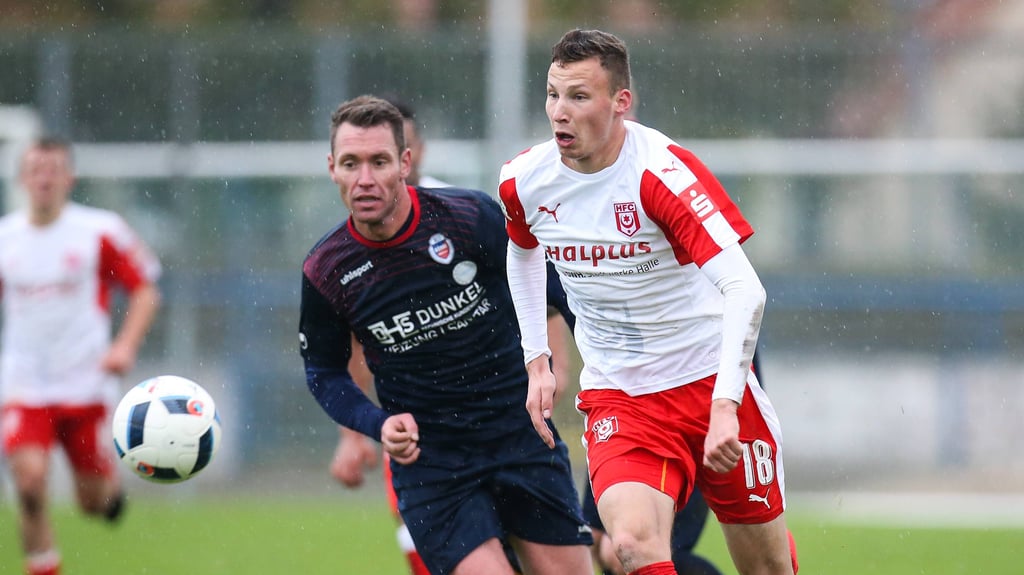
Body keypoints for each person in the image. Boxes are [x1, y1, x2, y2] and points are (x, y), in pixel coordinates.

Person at [498, 29, 799, 575]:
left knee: (768, 568)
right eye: (552, 94)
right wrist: (535, 359)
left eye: (579, 97)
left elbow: (746, 290)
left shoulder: (659, 173)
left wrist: (726, 407)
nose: (559, 112)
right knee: (631, 545)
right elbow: (521, 254)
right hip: (622, 395)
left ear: (621, 103)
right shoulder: (525, 181)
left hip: (710, 385)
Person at [299, 95, 593, 575]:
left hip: (520, 435)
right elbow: (324, 372)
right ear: (333, 168)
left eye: (379, 161)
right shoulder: (327, 270)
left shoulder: (469, 217)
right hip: (433, 465)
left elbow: (558, 292)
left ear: (406, 163)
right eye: (351, 163)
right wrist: (374, 425)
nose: (365, 179)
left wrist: (600, 372)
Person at [0, 137, 162, 575]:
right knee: (30, 483)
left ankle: (109, 498)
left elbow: (145, 289)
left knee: (92, 503)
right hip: (24, 386)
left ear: (69, 178)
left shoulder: (99, 231)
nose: (44, 178)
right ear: (22, 178)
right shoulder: (5, 240)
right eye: (36, 169)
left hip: (84, 384)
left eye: (54, 169)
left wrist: (124, 345)